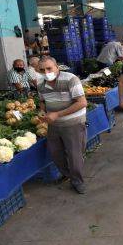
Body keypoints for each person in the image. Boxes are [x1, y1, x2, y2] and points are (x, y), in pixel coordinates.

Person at [37, 56, 88, 194]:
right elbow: (42, 101)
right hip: (54, 125)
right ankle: (68, 174)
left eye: (49, 68)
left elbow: (82, 102)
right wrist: (42, 111)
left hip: (73, 123)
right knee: (56, 153)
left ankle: (77, 181)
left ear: (57, 67)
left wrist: (57, 114)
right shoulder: (40, 83)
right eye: (42, 70)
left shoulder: (71, 79)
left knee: (74, 154)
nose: (46, 72)